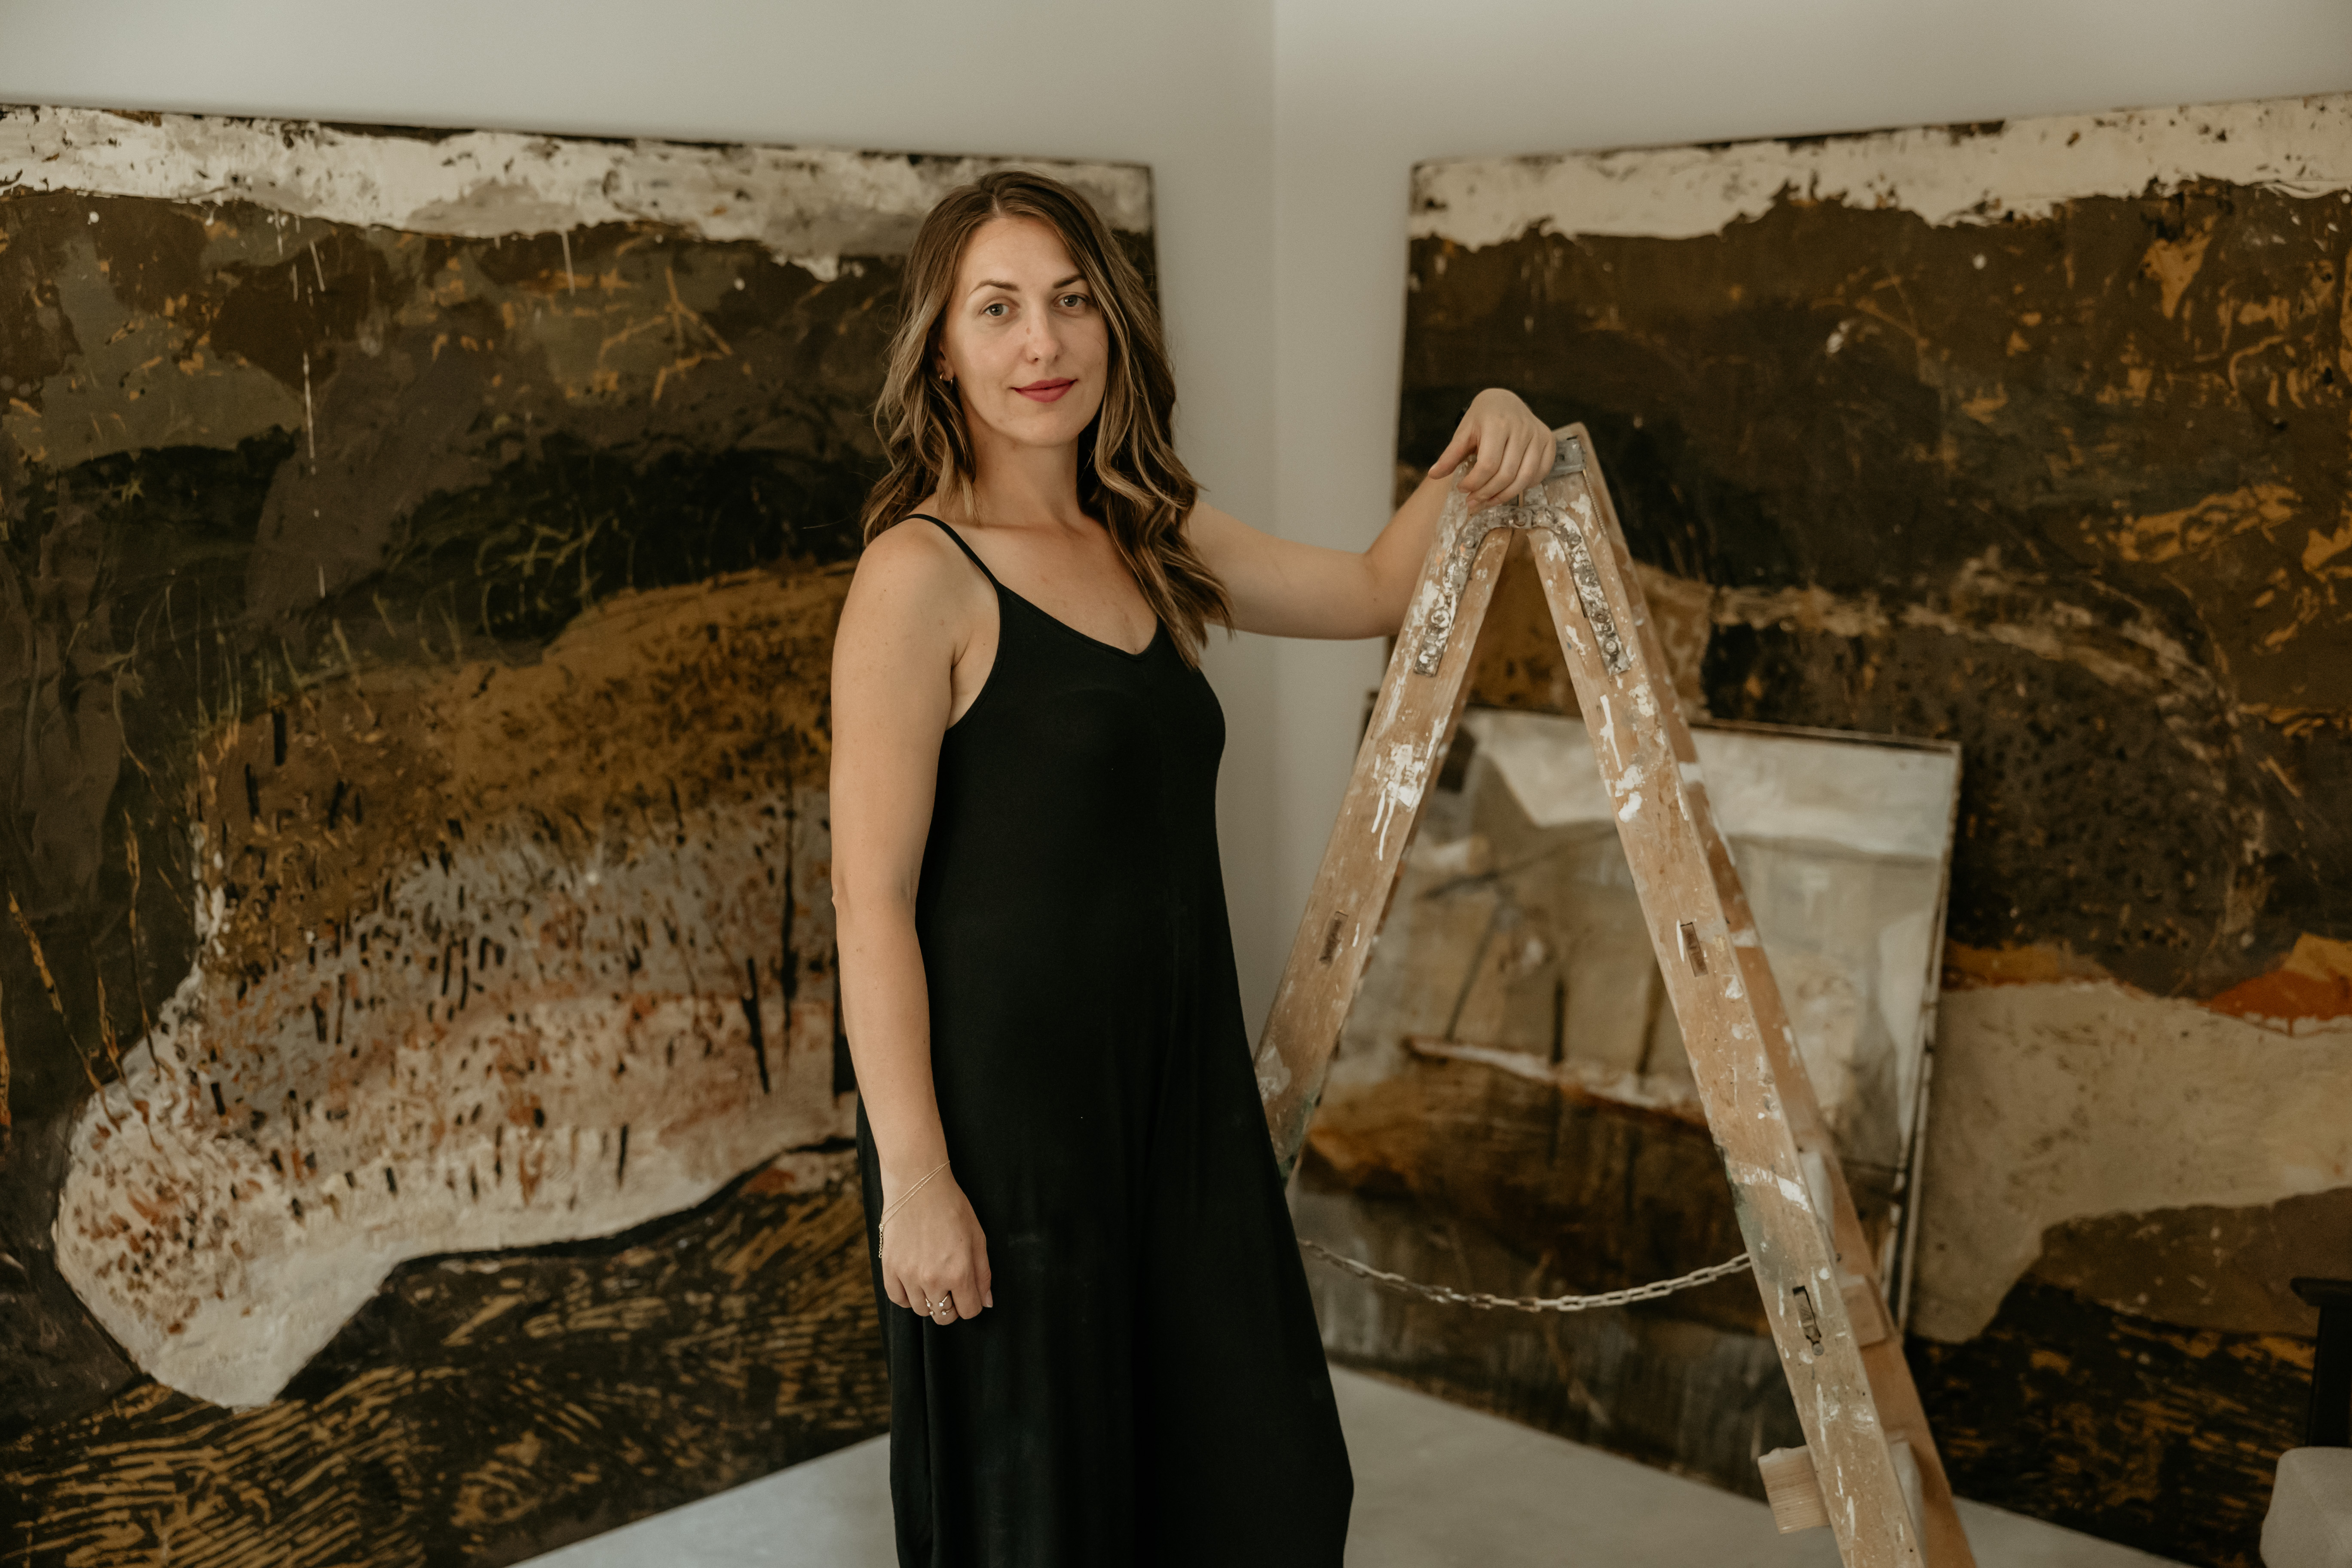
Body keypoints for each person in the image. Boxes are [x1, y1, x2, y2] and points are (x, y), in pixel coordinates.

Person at [829, 168, 1558, 1568]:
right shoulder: (917, 577)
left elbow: (1375, 591)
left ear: (1113, 326)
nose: (1043, 343)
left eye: (1071, 301)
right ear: (943, 349)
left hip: (1180, 1092)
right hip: (1009, 1123)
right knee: (1047, 1515)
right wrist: (916, 1183)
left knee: (1260, 1480)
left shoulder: (1149, 531)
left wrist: (1488, 424)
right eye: (998, 310)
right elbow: (871, 903)